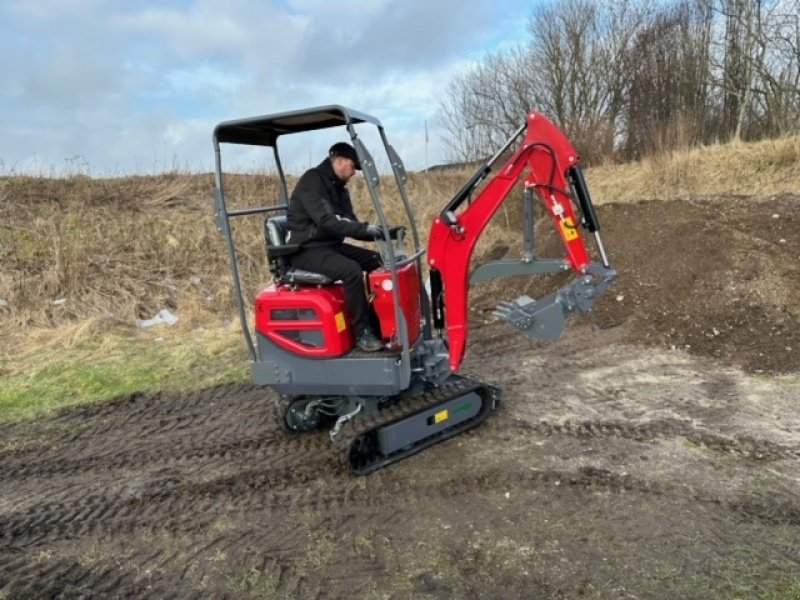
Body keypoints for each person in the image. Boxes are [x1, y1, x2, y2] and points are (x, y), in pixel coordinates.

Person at [285, 142, 385, 352]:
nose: (354, 173)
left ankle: (379, 320)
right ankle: (362, 333)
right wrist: (367, 230)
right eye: (352, 167)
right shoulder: (312, 182)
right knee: (350, 271)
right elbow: (326, 220)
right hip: (305, 249)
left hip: (329, 245)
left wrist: (381, 233)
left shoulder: (339, 189)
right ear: (339, 161)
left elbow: (350, 223)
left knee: (377, 261)